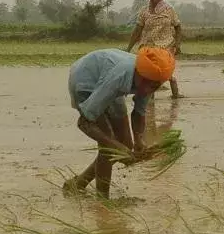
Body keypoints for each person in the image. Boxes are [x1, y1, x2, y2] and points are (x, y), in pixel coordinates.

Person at [64, 47, 175, 197]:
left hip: (107, 76)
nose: (148, 89)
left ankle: (78, 184)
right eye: (147, 83)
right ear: (138, 74)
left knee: (125, 144)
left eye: (155, 86)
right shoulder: (119, 78)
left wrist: (139, 140)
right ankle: (103, 200)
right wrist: (112, 143)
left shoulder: (150, 81)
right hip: (86, 79)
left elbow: (139, 113)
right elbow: (84, 122)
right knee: (108, 146)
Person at [126, 0, 182, 98]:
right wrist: (128, 48)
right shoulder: (144, 11)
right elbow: (137, 30)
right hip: (148, 47)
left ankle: (175, 95)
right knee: (148, 73)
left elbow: (178, 27)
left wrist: (178, 44)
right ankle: (149, 100)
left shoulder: (169, 10)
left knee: (164, 71)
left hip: (165, 46)